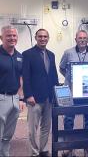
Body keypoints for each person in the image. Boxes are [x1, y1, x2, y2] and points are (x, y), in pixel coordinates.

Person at [59, 30, 88, 156]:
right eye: (80, 38)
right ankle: (68, 146)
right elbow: (61, 67)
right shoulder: (68, 52)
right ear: (75, 39)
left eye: (85, 38)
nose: (82, 40)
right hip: (69, 91)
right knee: (68, 118)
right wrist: (70, 79)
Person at [22, 28, 59, 157]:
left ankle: (43, 149)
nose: (43, 39)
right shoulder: (27, 54)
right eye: (40, 36)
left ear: (48, 38)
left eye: (45, 36)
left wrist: (56, 95)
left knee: (46, 127)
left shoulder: (51, 54)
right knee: (33, 128)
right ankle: (34, 151)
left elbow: (54, 75)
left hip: (49, 97)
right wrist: (28, 95)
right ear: (36, 37)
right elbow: (25, 76)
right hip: (34, 98)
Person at [0, 25, 25, 156]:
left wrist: (20, 98)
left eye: (14, 35)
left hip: (15, 99)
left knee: (7, 135)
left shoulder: (20, 56)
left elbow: (21, 78)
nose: (12, 38)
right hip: (1, 98)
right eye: (8, 35)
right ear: (1, 37)